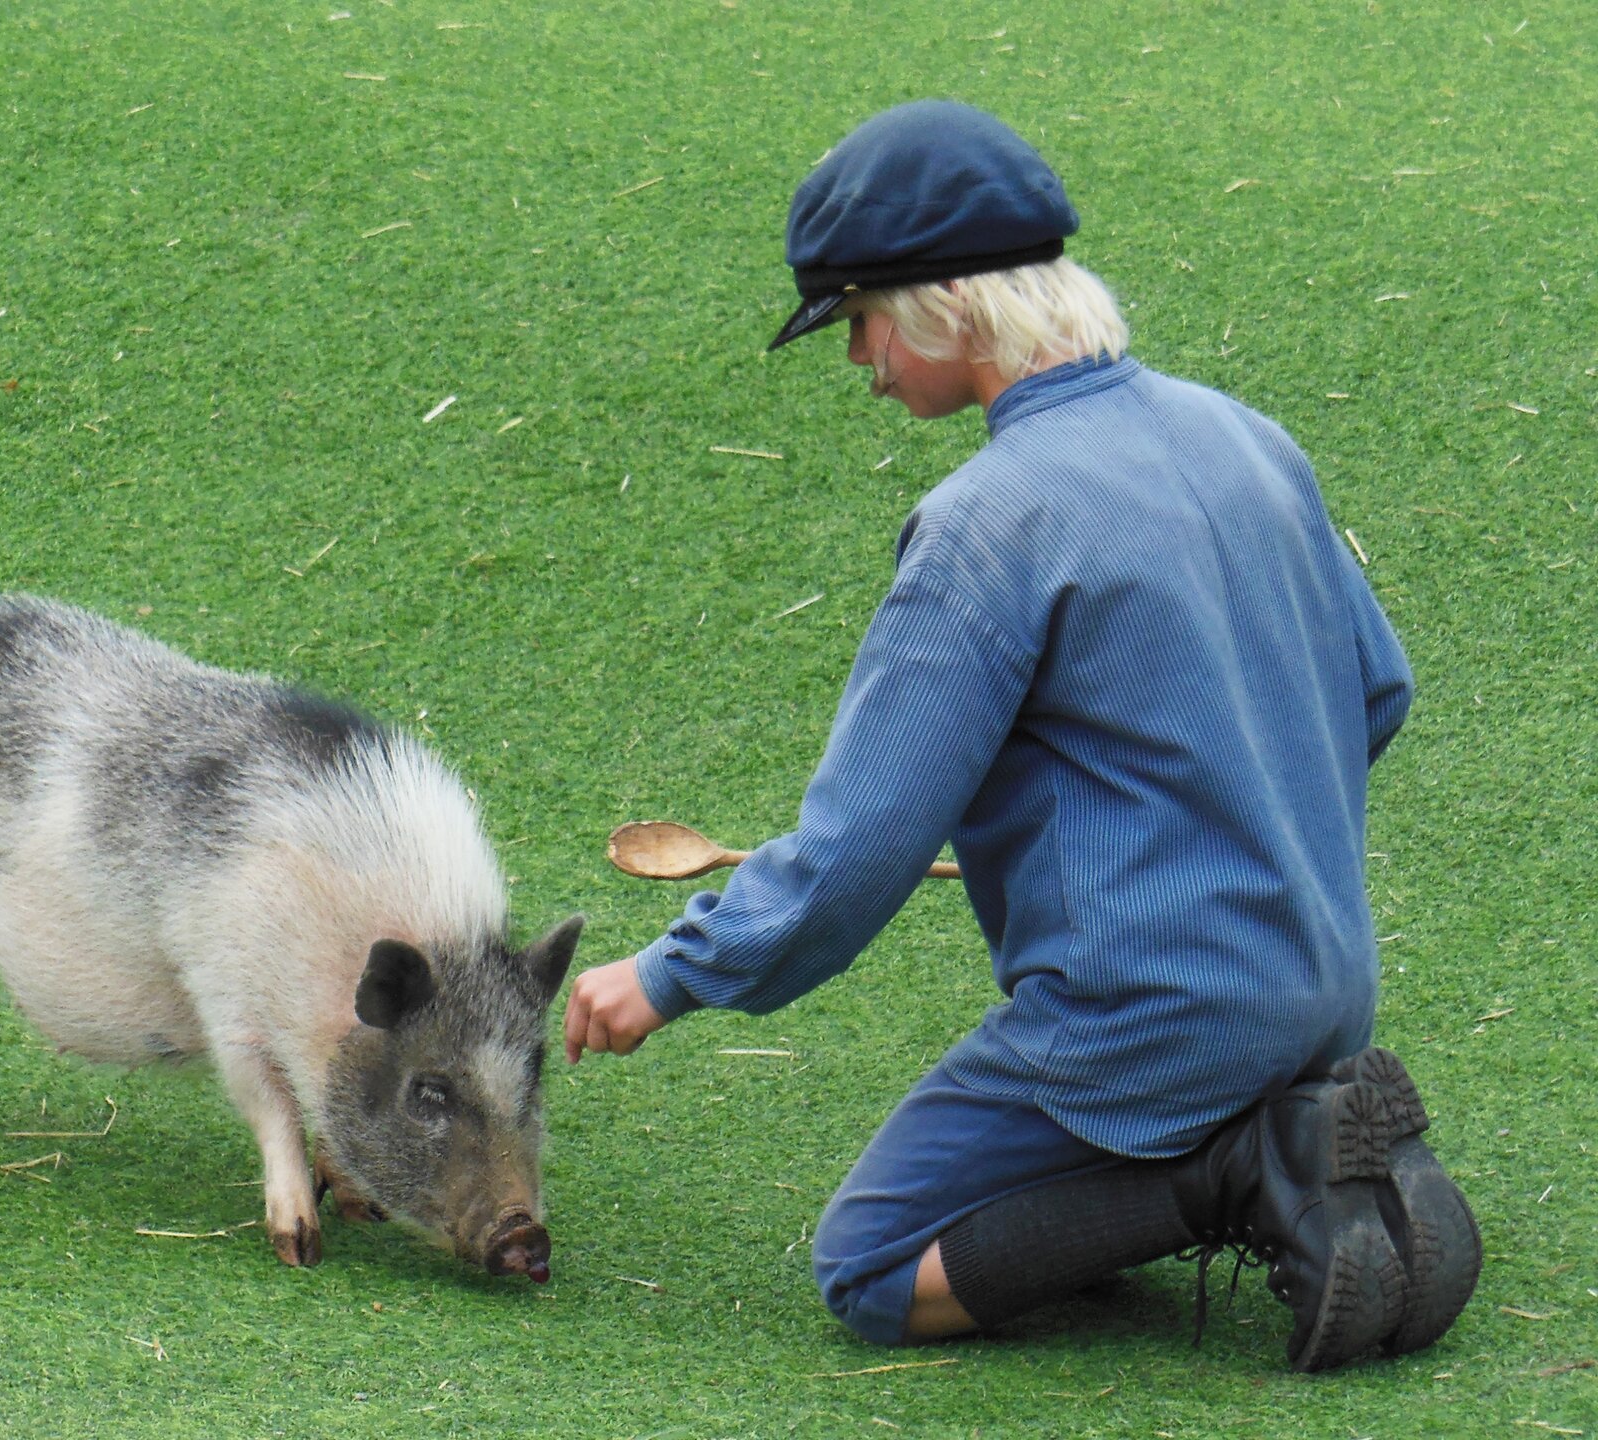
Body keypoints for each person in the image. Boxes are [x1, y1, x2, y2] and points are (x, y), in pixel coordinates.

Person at [562, 99, 1481, 1372]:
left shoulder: (989, 523)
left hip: (1152, 1022)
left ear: (946, 303)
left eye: (861, 321)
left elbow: (859, 850)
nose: (858, 361)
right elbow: (1376, 695)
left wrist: (667, 978)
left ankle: (1231, 1170)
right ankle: (1288, 1122)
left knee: (876, 1269)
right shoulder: (1244, 436)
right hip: (1325, 990)